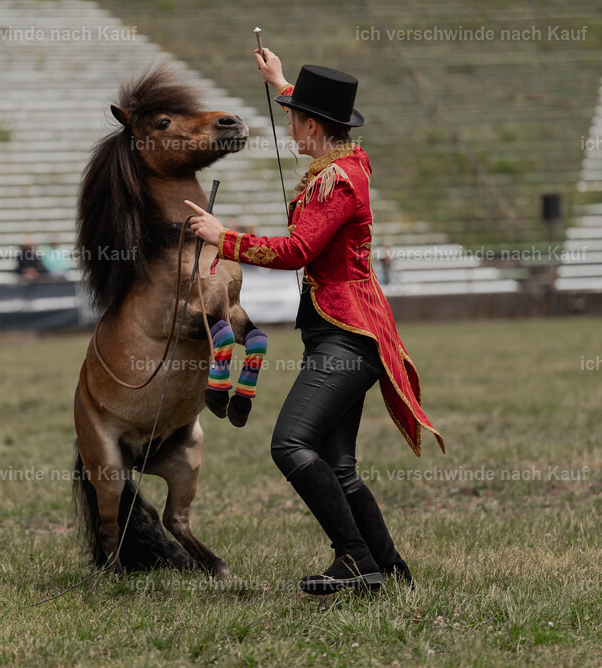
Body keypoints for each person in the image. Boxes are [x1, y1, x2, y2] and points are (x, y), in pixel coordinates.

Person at [185, 52, 444, 596]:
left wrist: (222, 236)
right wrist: (281, 83)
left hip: (347, 336)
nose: (289, 127)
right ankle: (386, 568)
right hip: (344, 332)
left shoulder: (340, 181)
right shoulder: (346, 161)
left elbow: (299, 249)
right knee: (337, 464)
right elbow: (310, 120)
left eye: (294, 117)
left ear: (313, 127)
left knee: (290, 445)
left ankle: (353, 559)